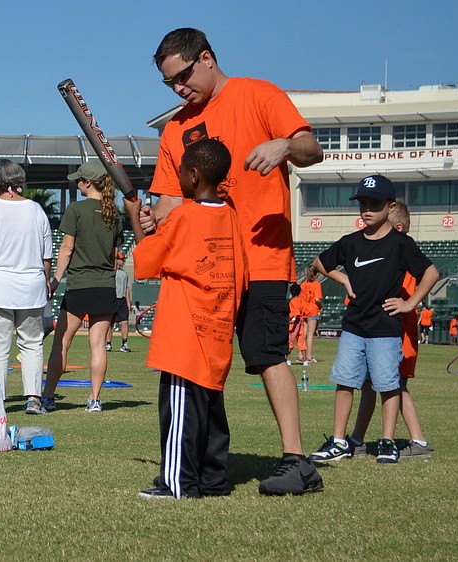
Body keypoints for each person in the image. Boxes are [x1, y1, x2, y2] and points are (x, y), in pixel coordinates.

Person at [140, 27, 325, 495]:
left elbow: (311, 148)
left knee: (266, 354)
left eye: (183, 76)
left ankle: (296, 460)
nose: (179, 89)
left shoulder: (257, 94)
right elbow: (167, 204)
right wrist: (150, 217)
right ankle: (206, 469)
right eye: (169, 84)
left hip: (262, 258)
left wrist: (283, 145)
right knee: (203, 363)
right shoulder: (176, 128)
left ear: (206, 57)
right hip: (209, 268)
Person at [134, 139, 248, 498]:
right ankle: (213, 480)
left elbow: (145, 262)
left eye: (182, 169)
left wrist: (135, 218)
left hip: (185, 335)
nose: (178, 175)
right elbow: (241, 275)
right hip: (216, 331)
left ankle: (177, 482)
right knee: (212, 412)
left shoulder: (183, 216)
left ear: (194, 175)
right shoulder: (230, 216)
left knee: (180, 411)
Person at [309, 175, 439, 465]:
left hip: (385, 330)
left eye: (375, 203)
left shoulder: (401, 244)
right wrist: (343, 278)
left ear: (389, 206)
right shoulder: (351, 242)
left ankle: (387, 441)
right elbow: (319, 263)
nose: (367, 208)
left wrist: (409, 303)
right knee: (344, 383)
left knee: (388, 385)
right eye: (363, 203)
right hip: (354, 328)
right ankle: (339, 442)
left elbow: (431, 273)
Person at [347, 201, 433, 459]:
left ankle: (417, 441)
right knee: (370, 386)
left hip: (396, 335)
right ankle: (357, 440)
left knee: (394, 387)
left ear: (395, 227)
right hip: (380, 333)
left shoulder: (400, 253)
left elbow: (425, 278)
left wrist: (408, 303)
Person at [0, 159, 52, 414]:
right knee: (32, 344)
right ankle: (34, 399)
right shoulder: (36, 209)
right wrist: (46, 281)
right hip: (31, 285)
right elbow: (46, 254)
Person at [42, 160, 123, 413]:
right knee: (97, 344)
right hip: (105, 286)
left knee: (62, 342)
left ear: (88, 183)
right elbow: (114, 256)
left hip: (79, 285)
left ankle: (48, 397)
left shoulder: (76, 209)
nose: (77, 183)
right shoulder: (113, 212)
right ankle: (95, 400)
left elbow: (66, 249)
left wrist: (55, 280)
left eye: (79, 180)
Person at [105, 252, 132, 353]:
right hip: (112, 299)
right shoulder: (110, 272)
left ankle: (124, 344)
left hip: (122, 300)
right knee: (110, 324)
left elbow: (127, 288)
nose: (123, 261)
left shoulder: (124, 273)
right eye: (121, 259)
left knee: (125, 321)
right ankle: (108, 344)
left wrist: (128, 302)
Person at [300, 266, 323, 362]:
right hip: (312, 310)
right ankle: (309, 356)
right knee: (310, 334)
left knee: (303, 334)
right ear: (316, 274)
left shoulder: (303, 284)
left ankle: (301, 356)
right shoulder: (316, 284)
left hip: (303, 309)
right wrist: (321, 306)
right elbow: (317, 299)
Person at [286, 283, 308, 365]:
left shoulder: (293, 301)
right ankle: (305, 360)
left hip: (294, 324)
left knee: (290, 341)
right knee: (301, 342)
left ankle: (288, 359)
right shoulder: (301, 300)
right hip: (300, 323)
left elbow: (295, 313)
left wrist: (293, 320)